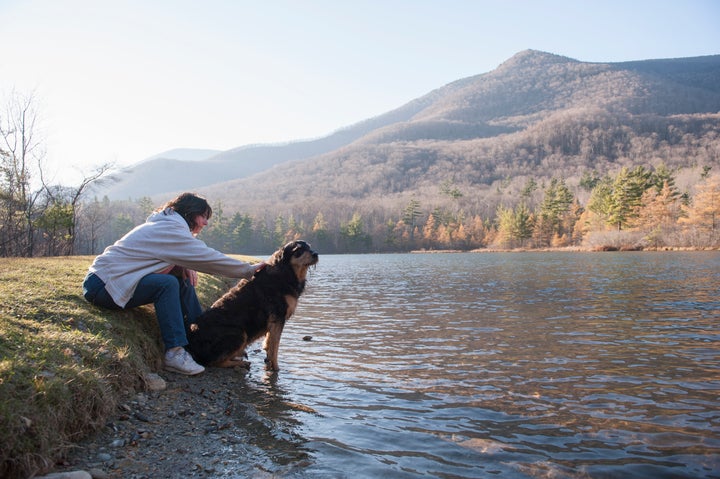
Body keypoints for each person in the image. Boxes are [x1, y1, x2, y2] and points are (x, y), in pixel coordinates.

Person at [82, 192, 262, 375]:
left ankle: (201, 339)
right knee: (166, 284)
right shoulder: (170, 230)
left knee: (180, 279)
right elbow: (208, 258)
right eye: (203, 217)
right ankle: (174, 354)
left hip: (111, 281)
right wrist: (248, 270)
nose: (205, 223)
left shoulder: (168, 226)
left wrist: (182, 265)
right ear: (189, 213)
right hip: (102, 285)